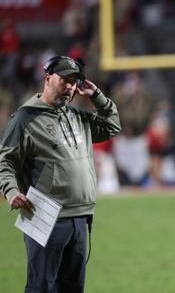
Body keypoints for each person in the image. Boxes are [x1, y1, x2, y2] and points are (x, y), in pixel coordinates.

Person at [0, 55, 121, 292]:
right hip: (44, 214)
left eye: (74, 82)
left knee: (72, 288)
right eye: (64, 80)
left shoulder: (76, 115)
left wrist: (98, 97)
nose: (70, 86)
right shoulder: (25, 118)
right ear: (47, 79)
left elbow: (112, 127)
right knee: (41, 287)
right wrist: (12, 191)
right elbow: (5, 162)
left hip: (80, 215)